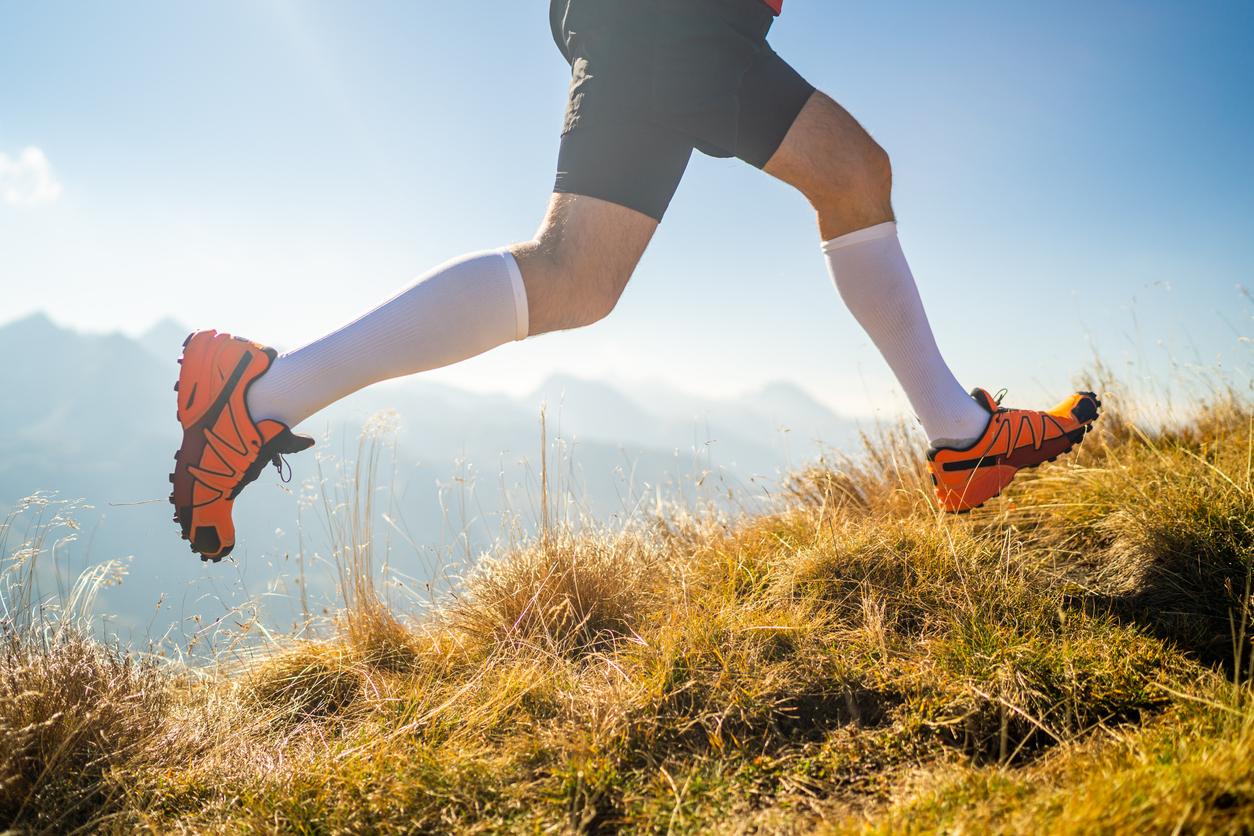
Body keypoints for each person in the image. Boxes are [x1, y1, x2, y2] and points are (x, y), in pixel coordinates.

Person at [170, 0, 1100, 561]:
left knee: (590, 273)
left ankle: (963, 442)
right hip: (667, 18)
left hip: (688, 23)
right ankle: (257, 398)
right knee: (593, 265)